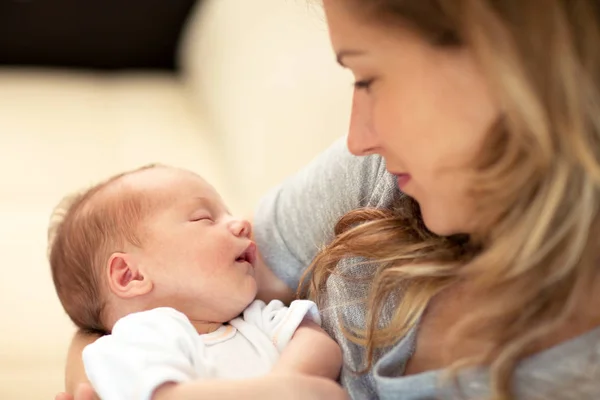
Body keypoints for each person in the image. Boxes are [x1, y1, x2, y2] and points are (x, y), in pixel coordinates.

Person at [56, 0, 600, 399]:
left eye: (369, 79)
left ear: (509, 61)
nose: (358, 138)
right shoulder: (381, 178)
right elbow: (118, 318)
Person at [48, 165, 342, 400]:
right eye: (204, 218)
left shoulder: (256, 317)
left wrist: (287, 382)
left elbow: (318, 343)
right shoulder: (139, 339)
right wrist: (281, 391)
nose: (242, 224)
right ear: (131, 275)